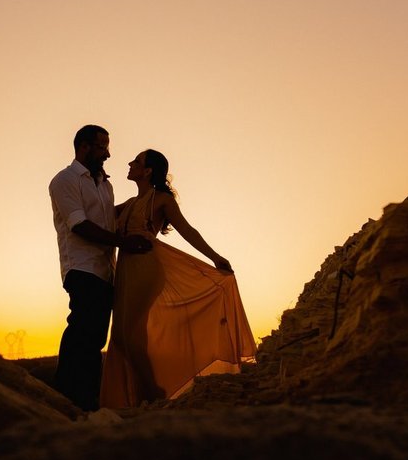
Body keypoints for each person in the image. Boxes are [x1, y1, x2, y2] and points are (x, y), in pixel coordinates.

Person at [99, 149, 257, 409]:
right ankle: (146, 395)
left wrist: (215, 257)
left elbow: (187, 230)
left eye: (137, 161)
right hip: (126, 271)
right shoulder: (128, 204)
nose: (130, 163)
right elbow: (99, 215)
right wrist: (100, 181)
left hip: (147, 269)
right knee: (121, 337)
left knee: (130, 334)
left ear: (148, 170)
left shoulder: (161, 200)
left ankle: (153, 394)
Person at [49, 125, 151, 411]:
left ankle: (86, 401)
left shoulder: (105, 183)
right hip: (81, 268)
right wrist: (124, 243)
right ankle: (67, 397)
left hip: (106, 270)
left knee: (95, 338)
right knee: (82, 330)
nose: (108, 153)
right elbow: (79, 224)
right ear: (84, 147)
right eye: (102, 147)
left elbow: (106, 218)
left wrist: (135, 205)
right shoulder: (64, 180)